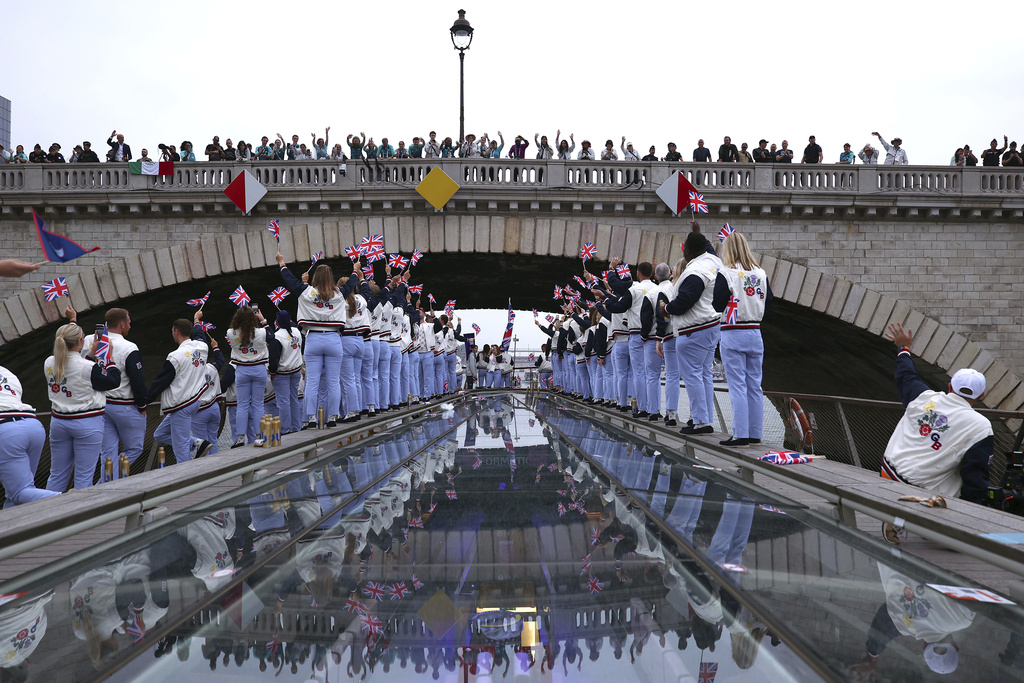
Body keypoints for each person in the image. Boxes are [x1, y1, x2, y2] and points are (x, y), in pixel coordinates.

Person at [880, 323, 993, 542]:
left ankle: (907, 518)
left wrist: (903, 348)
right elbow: (975, 476)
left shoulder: (924, 398)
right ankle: (937, 523)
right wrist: (970, 515)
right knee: (958, 471)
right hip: (918, 486)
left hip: (888, 471)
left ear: (950, 386)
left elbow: (906, 375)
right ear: (981, 396)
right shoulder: (980, 426)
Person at [45, 309, 122, 492]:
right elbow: (112, 381)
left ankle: (46, 514)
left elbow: (75, 371)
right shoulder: (88, 367)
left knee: (56, 475)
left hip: (59, 422)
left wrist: (73, 321)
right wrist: (107, 357)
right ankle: (81, 516)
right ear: (81, 342)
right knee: (83, 477)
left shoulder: (49, 363)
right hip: (87, 423)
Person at [276, 252, 357, 427]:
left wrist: (282, 262)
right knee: (333, 381)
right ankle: (332, 417)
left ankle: (311, 418)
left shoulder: (306, 291)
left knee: (312, 381)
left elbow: (289, 280)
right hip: (334, 339)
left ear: (315, 277)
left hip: (313, 338)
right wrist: (356, 271)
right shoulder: (339, 294)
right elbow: (351, 283)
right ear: (331, 278)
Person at [661, 228, 723, 435]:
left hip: (694, 329)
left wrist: (666, 309)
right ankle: (705, 418)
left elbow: (685, 301)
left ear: (687, 252)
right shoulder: (713, 261)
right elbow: (708, 249)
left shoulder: (695, 271)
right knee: (705, 374)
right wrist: (698, 233)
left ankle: (700, 421)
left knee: (693, 376)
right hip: (712, 325)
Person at [712, 232, 772, 446]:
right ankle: (755, 433)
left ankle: (740, 434)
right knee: (755, 385)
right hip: (755, 332)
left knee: (737, 385)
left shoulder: (726, 272)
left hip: (732, 331)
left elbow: (717, 304)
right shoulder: (761, 273)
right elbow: (770, 302)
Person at [145, 312, 214, 463]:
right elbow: (200, 334)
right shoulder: (202, 347)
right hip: (195, 401)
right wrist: (197, 320)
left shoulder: (175, 356)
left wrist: (145, 401)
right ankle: (197, 443)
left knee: (180, 446)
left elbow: (161, 382)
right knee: (160, 434)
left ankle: (186, 478)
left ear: (176, 331)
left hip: (181, 404)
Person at [0, 365, 60, 506]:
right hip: (32, 424)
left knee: (20, 491)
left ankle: (69, 499)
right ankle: (13, 527)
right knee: (17, 494)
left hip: (7, 430)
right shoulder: (5, 371)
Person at [100, 308, 149, 479]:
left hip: (101, 405)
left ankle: (105, 486)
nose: (130, 324)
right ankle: (105, 484)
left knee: (108, 453)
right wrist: (142, 404)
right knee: (135, 448)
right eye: (128, 321)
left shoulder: (91, 342)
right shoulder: (129, 347)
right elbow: (137, 379)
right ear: (122, 324)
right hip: (124, 406)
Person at [272, 310, 304, 434]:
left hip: (283, 373)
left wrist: (272, 372)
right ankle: (296, 427)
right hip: (296, 370)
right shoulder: (296, 331)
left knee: (283, 401)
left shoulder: (277, 336)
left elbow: (274, 358)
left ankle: (285, 429)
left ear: (277, 322)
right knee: (294, 398)